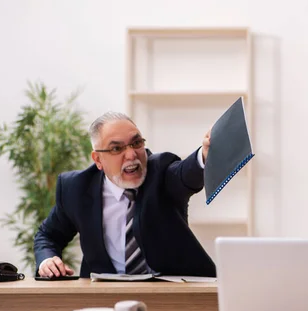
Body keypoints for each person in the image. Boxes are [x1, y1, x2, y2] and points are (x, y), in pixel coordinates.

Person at [34, 111, 216, 278]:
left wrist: (204, 156)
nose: (131, 154)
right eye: (116, 149)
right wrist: (47, 260)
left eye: (136, 143)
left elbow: (185, 175)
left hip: (172, 292)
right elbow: (48, 235)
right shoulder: (76, 188)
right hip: (106, 296)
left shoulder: (161, 170)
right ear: (98, 159)